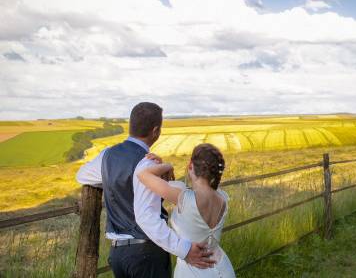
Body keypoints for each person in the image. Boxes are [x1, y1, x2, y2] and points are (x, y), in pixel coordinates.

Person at [76, 102, 214, 278]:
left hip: (118, 255)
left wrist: (115, 180)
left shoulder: (107, 155)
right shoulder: (147, 164)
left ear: (131, 125)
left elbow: (82, 175)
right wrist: (185, 250)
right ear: (155, 131)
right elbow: (146, 218)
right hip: (146, 253)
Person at [138, 143, 236, 278]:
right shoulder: (222, 197)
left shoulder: (183, 197)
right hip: (223, 268)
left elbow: (142, 174)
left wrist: (167, 166)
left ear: (190, 165)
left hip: (193, 272)